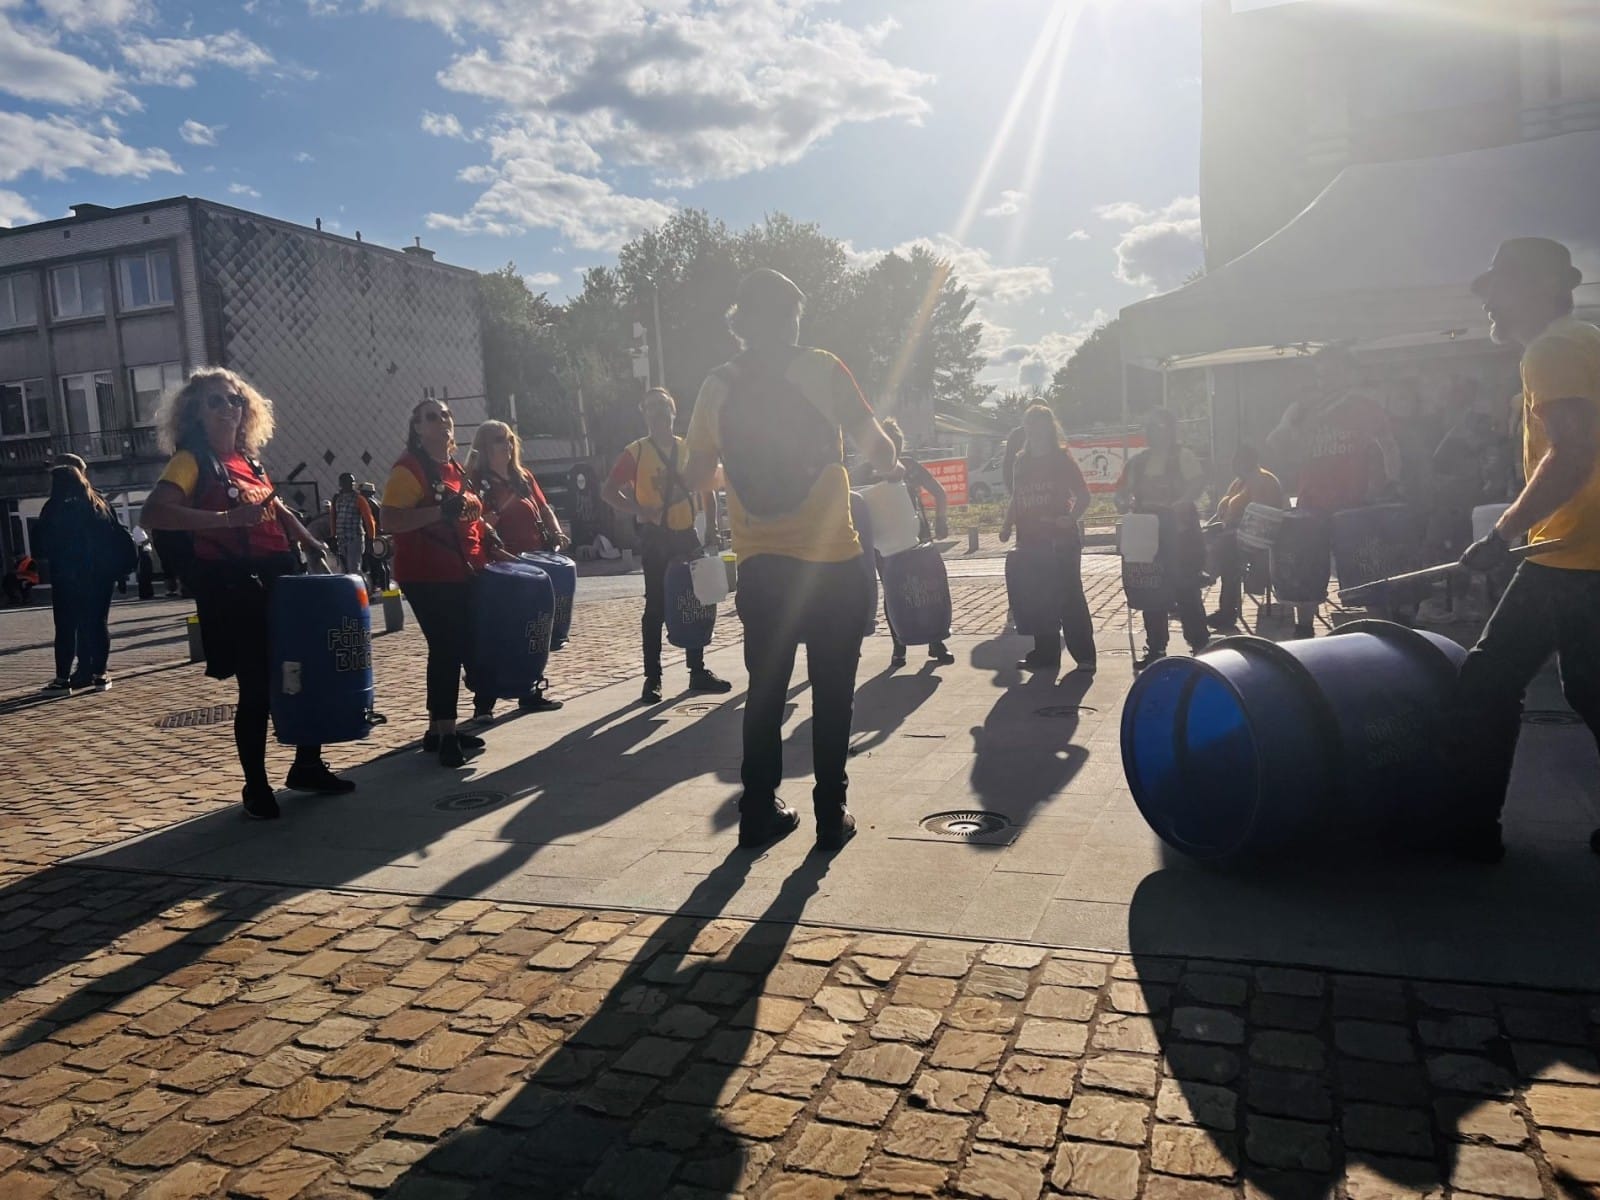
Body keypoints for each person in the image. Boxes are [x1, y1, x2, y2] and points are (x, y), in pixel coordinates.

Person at [680, 268, 901, 851]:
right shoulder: (824, 367)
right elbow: (880, 450)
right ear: (793, 316)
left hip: (763, 565)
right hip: (833, 560)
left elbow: (696, 475)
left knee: (766, 692)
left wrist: (735, 474)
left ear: (740, 324)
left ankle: (758, 811)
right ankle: (831, 813)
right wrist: (886, 458)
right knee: (833, 692)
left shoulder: (718, 384)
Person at [1445, 238, 1600, 863]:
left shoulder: (1552, 349)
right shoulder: (1586, 339)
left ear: (1540, 289)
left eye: (1499, 289)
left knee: (1489, 679)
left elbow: (1574, 451)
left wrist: (1503, 532)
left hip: (1574, 553)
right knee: (1585, 688)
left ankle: (1467, 830)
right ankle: (1469, 827)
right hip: (1572, 550)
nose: (1488, 303)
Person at [141, 368, 353, 820]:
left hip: (278, 580)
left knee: (304, 673)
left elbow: (275, 507)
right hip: (235, 586)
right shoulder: (190, 461)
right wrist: (225, 520)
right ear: (196, 412)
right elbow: (154, 513)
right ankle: (256, 786)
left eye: (234, 400)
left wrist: (310, 542)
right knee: (256, 688)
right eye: (215, 401)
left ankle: (307, 765)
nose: (228, 408)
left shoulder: (248, 461)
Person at [382, 399, 511, 767]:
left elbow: (467, 515)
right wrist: (439, 511)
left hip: (459, 570)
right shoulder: (409, 469)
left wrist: (487, 533)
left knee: (450, 648)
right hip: (426, 573)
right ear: (417, 428)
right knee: (448, 648)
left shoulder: (454, 467)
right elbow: (389, 520)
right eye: (432, 417)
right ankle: (448, 733)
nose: (443, 421)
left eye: (446, 415)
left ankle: (438, 730)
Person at [603, 388, 733, 704]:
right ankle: (653, 677)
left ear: (674, 411)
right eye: (651, 407)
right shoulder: (635, 452)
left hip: (686, 533)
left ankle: (697, 670)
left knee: (697, 600)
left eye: (663, 406)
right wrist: (639, 511)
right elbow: (608, 491)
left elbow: (707, 488)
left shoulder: (687, 449)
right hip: (656, 537)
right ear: (644, 414)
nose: (658, 412)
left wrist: (712, 526)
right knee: (656, 606)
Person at [1266, 346, 1402, 636]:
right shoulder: (1305, 407)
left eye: (1332, 371)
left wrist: (1390, 483)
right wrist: (1289, 425)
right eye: (1321, 373)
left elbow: (1389, 445)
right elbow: (1276, 442)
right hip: (1311, 503)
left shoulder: (1364, 406)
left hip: (1354, 505)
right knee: (1305, 576)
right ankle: (1304, 632)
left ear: (1349, 373)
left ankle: (1385, 633)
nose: (1325, 378)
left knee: (1367, 576)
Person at [465, 418, 568, 720]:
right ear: (484, 446)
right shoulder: (477, 482)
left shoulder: (522, 476)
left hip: (533, 566)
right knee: (497, 634)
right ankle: (484, 702)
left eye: (509, 439)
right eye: (499, 440)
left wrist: (556, 531)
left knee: (532, 631)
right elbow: (476, 525)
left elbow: (544, 508)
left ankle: (529, 689)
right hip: (501, 568)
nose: (507, 445)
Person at [999, 404, 1096, 675]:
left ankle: (1085, 657)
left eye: (1040, 424)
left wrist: (1071, 518)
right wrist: (1006, 525)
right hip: (1029, 541)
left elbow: (1084, 496)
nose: (1034, 429)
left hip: (1060, 541)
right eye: (1030, 424)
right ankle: (1046, 654)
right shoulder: (1021, 461)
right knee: (1038, 599)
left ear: (1050, 427)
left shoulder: (1061, 459)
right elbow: (1017, 497)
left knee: (1069, 597)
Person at [1115, 407, 1210, 668]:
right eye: (1152, 427)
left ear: (1170, 429)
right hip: (1148, 534)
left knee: (1186, 588)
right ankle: (1156, 647)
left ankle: (1200, 645)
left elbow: (1197, 483)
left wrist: (1183, 501)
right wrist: (1121, 501)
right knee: (1151, 588)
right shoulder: (1138, 462)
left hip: (1180, 534)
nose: (1156, 432)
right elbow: (1122, 491)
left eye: (1161, 427)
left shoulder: (1183, 456)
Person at [35, 463, 134, 693]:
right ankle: (100, 675)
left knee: (66, 627)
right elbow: (115, 536)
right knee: (98, 624)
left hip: (67, 577)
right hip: (100, 577)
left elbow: (40, 544)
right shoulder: (100, 503)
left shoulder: (54, 507)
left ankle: (62, 680)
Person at [869, 418, 954, 667]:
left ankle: (935, 640)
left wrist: (941, 520)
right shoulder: (867, 472)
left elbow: (939, 492)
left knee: (929, 589)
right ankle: (900, 645)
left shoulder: (909, 467)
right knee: (894, 592)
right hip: (886, 545)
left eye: (894, 445)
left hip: (917, 540)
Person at [1206, 443, 1285, 631]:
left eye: (1238, 460)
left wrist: (1232, 526)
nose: (1234, 464)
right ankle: (1198, 580)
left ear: (1249, 460)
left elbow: (1261, 516)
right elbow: (1222, 509)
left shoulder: (1263, 480)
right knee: (1204, 540)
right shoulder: (1239, 483)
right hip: (1232, 532)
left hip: (1255, 537)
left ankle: (1223, 605)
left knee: (1227, 552)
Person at [328, 472, 377, 578]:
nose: (350, 484)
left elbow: (369, 520)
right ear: (341, 484)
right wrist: (333, 536)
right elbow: (333, 518)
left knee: (353, 568)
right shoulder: (337, 498)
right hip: (341, 538)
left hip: (355, 537)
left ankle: (359, 587)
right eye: (347, 482)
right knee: (343, 569)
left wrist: (371, 540)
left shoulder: (359, 499)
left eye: (352, 482)